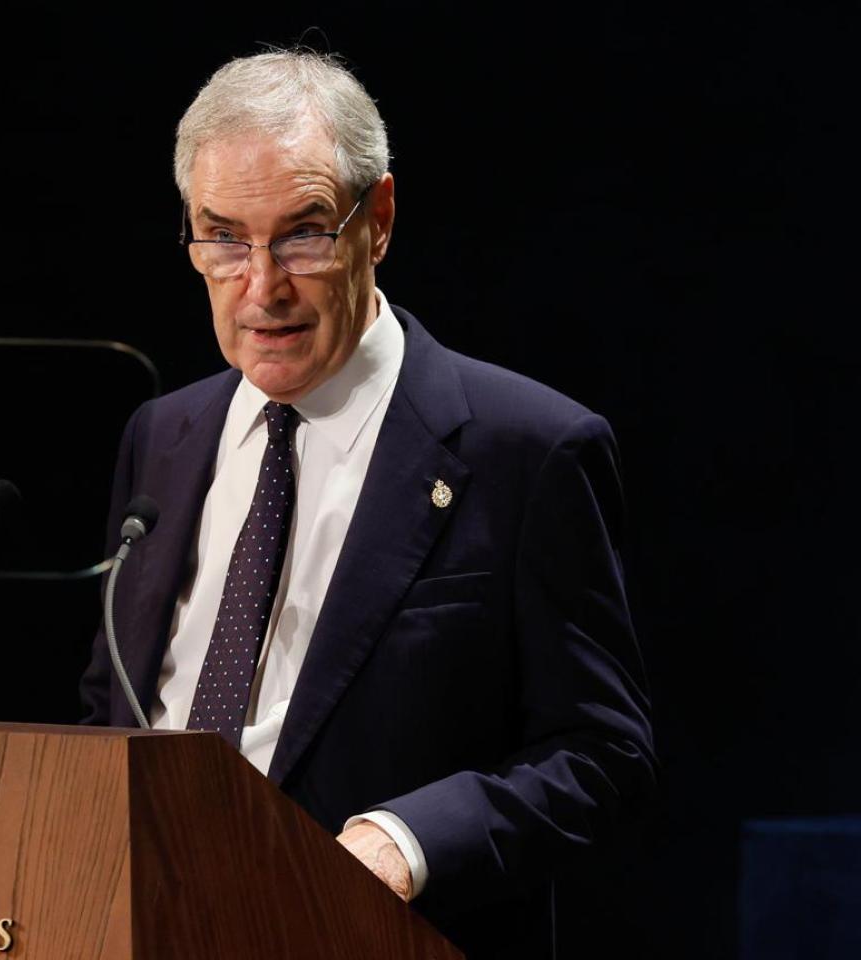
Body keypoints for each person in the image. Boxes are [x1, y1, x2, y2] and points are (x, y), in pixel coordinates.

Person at [79, 49, 654, 958]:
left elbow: (599, 751)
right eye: (223, 237)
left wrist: (408, 842)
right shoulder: (163, 434)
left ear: (377, 220)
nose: (261, 287)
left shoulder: (526, 450)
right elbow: (112, 705)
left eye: (303, 234)